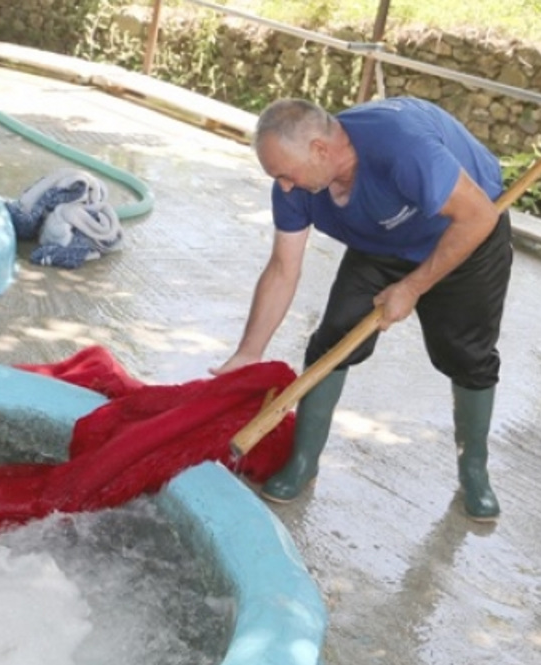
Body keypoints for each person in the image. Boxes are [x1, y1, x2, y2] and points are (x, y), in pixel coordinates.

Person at [212, 96, 513, 522]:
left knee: (465, 354)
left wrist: (412, 287)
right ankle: (304, 462)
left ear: (319, 150)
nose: (282, 186)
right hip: (381, 242)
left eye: (284, 174)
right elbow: (283, 268)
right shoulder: (300, 183)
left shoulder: (402, 148)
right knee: (333, 338)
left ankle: (474, 472)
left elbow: (478, 216)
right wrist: (249, 350)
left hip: (465, 230)